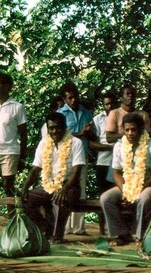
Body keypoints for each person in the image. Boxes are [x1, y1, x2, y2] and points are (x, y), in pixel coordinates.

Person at [100, 113, 151, 246]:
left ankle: (141, 236)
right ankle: (121, 234)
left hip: (150, 186)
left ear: (141, 129)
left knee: (144, 198)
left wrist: (136, 192)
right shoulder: (119, 146)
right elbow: (116, 172)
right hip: (127, 185)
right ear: (123, 130)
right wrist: (125, 191)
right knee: (106, 198)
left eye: (133, 129)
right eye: (127, 129)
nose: (130, 133)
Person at [21, 112, 85, 243]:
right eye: (51, 128)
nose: (54, 131)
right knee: (25, 200)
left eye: (57, 127)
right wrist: (24, 188)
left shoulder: (76, 142)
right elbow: (35, 170)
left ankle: (57, 236)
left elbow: (77, 172)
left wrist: (64, 189)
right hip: (48, 185)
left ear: (64, 127)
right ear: (47, 128)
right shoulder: (43, 143)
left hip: (70, 186)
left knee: (60, 199)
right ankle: (46, 227)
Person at [0, 72, 27, 230]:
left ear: (8, 86)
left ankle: (12, 224)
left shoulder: (17, 107)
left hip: (10, 152)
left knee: (8, 186)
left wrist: (23, 157)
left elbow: (24, 134)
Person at [57, 82, 94, 235]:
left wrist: (89, 132)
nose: (73, 100)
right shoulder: (60, 114)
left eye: (75, 97)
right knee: (63, 189)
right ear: (64, 99)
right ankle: (64, 226)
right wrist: (81, 133)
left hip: (82, 155)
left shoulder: (87, 113)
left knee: (81, 189)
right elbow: (61, 135)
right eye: (69, 98)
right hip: (64, 157)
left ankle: (78, 227)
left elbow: (92, 134)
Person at [90, 92, 119, 194]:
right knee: (104, 192)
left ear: (116, 103)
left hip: (119, 161)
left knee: (118, 191)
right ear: (103, 105)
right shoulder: (98, 119)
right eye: (107, 104)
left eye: (112, 103)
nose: (110, 106)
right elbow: (92, 143)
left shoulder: (122, 117)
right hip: (103, 161)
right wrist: (110, 148)